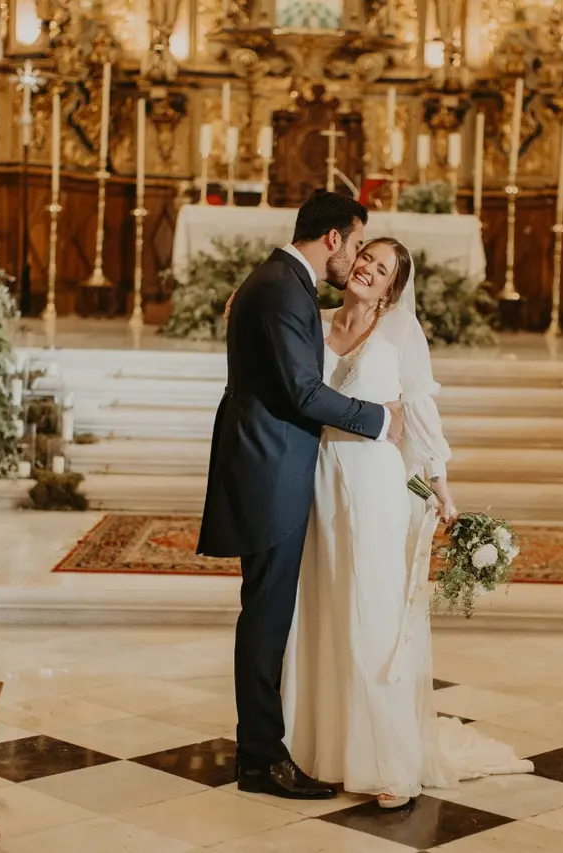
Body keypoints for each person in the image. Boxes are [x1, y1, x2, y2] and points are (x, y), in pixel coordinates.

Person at [282, 237, 533, 809]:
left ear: (394, 289)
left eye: (383, 269)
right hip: (317, 478)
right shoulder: (314, 322)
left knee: (372, 617)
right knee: (323, 612)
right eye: (365, 258)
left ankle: (386, 761)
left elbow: (419, 412)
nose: (368, 269)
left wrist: (443, 488)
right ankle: (322, 750)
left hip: (375, 487)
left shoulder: (399, 333)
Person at [197, 190, 406, 800]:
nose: (357, 259)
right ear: (334, 239)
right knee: (265, 618)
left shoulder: (276, 282)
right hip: (271, 470)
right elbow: (303, 394)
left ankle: (264, 747)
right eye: (356, 243)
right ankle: (261, 758)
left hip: (276, 463)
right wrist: (377, 419)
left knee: (270, 615)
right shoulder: (285, 287)